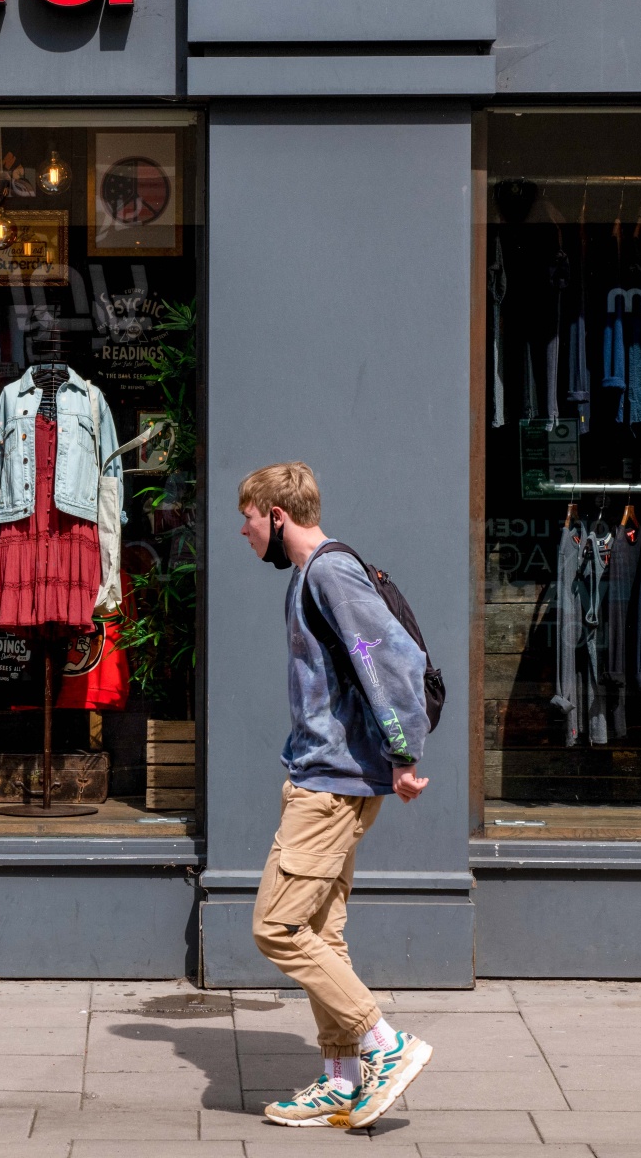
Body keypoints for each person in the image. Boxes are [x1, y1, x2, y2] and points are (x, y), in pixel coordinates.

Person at [238, 461, 435, 1130]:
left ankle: (385, 1044)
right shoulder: (309, 575)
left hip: (330, 786)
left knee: (277, 926)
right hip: (329, 778)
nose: (244, 531)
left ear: (277, 515)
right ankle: (340, 1079)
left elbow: (387, 661)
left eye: (249, 518)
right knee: (321, 931)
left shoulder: (329, 573)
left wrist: (403, 753)